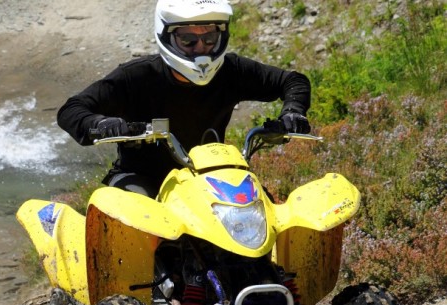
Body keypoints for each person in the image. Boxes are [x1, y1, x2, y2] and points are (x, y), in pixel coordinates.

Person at [57, 0, 312, 198]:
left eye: (209, 38)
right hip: (142, 178)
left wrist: (293, 112)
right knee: (131, 220)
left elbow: (293, 80)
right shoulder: (136, 76)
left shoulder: (232, 71)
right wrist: (102, 124)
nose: (201, 48)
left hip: (210, 175)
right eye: (188, 39)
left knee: (261, 213)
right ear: (167, 36)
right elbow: (72, 109)